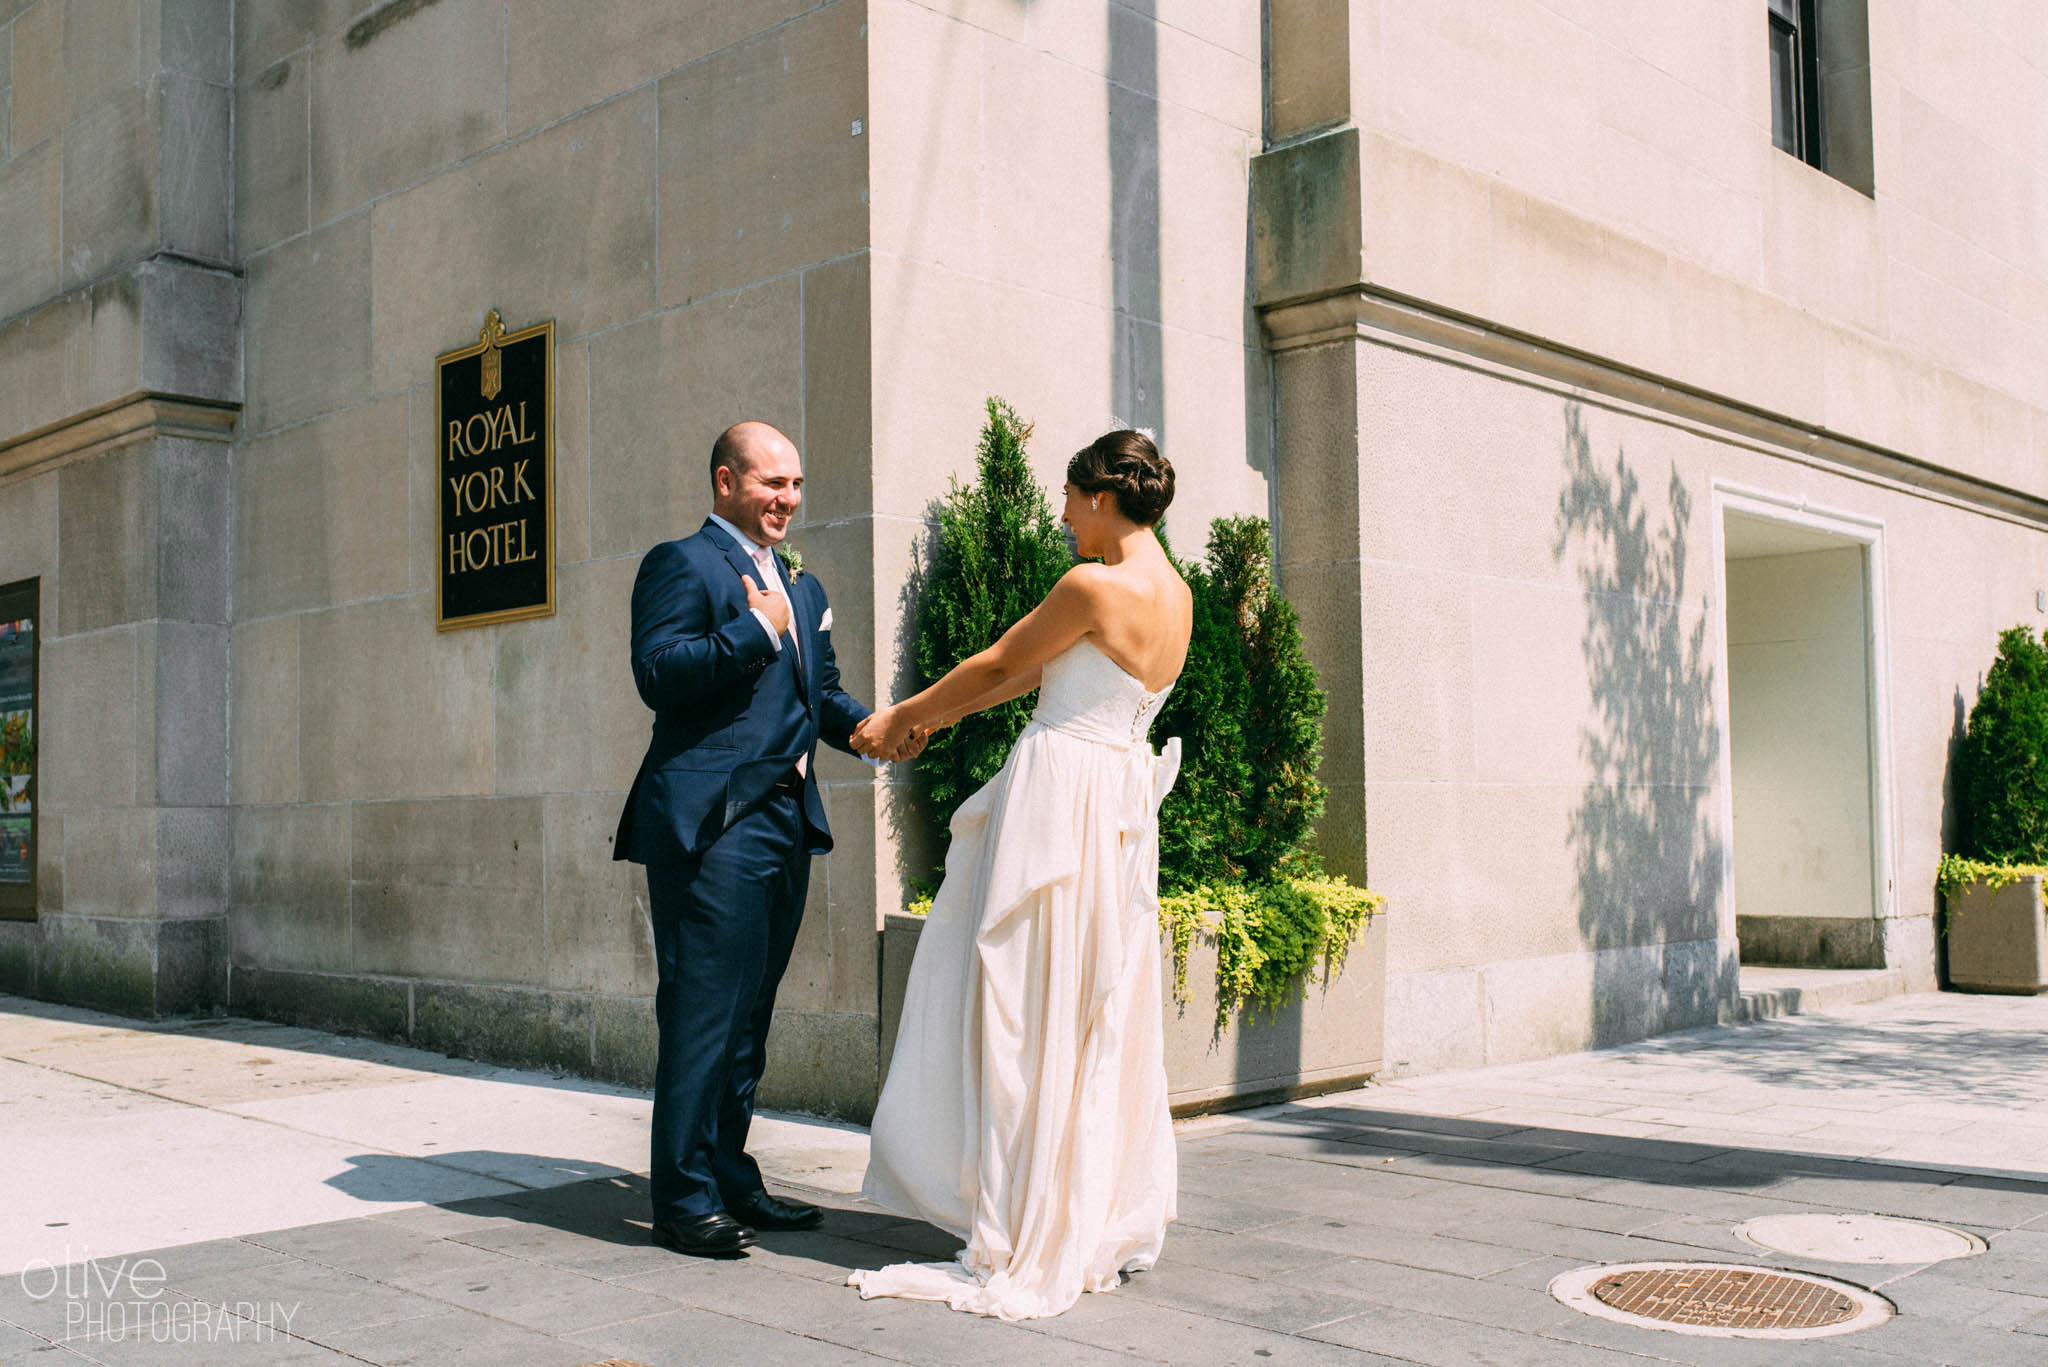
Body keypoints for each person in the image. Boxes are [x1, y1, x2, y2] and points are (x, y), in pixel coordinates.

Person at [845, 429, 1191, 1320]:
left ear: (1104, 498)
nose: (1064, 512)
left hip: (1062, 801)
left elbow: (1003, 660)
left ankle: (1017, 1219)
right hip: (1111, 806)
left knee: (1019, 1000)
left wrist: (901, 719)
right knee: (1081, 1009)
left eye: (1072, 496)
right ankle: (1078, 1203)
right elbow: (1035, 671)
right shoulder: (1176, 595)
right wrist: (932, 721)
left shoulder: (1093, 583)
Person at [614, 421, 917, 1257]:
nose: (787, 499)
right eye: (770, 483)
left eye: (795, 485)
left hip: (786, 824)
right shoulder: (680, 563)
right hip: (712, 826)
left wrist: (874, 729)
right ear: (725, 481)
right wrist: (755, 629)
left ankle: (730, 1174)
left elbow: (819, 693)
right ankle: (681, 1197)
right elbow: (657, 673)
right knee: (703, 1010)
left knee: (750, 1016)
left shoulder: (802, 584)